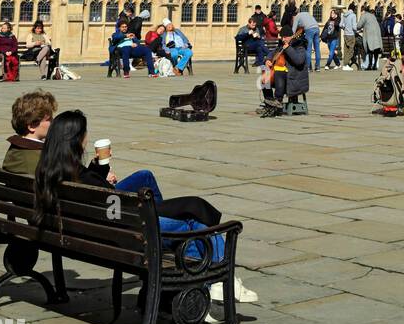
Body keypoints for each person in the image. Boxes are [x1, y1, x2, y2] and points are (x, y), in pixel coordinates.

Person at [32, 111, 256, 306]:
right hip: (124, 233)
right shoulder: (81, 179)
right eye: (83, 134)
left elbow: (99, 196)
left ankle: (188, 292)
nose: (86, 138)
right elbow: (112, 205)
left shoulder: (49, 170)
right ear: (74, 140)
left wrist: (100, 177)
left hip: (93, 229)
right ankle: (213, 282)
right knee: (194, 223)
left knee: (144, 177)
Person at [2, 90, 56, 175]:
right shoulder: (42, 157)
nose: (53, 122)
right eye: (49, 119)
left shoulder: (14, 149)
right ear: (32, 126)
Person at [292, 5, 321, 72]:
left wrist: (291, 36)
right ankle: (318, 67)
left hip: (309, 30)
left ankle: (307, 67)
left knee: (308, 49)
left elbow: (293, 30)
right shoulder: (307, 13)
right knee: (317, 49)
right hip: (317, 28)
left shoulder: (297, 17)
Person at [356, 5, 382, 71]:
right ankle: (375, 65)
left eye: (361, 11)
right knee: (376, 50)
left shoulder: (364, 15)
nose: (361, 13)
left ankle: (370, 65)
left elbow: (359, 25)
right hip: (377, 34)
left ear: (363, 11)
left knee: (370, 50)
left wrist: (355, 27)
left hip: (370, 35)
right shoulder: (372, 16)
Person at [340, 2, 358, 70]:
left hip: (345, 34)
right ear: (353, 9)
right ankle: (345, 64)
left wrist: (345, 28)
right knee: (351, 50)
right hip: (351, 34)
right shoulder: (353, 15)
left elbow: (341, 25)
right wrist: (357, 30)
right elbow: (354, 27)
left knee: (346, 50)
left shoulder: (344, 15)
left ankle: (345, 64)